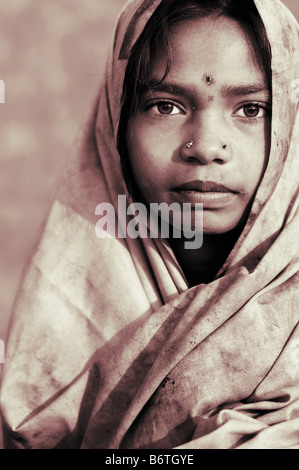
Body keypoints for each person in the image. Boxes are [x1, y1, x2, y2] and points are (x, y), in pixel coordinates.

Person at [0, 0, 298, 449]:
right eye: (166, 106)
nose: (207, 147)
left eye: (251, 110)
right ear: (117, 126)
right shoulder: (53, 332)